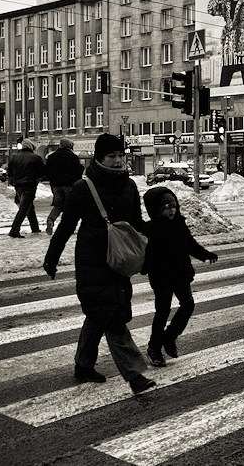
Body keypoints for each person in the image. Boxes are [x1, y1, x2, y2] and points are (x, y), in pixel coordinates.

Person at [42, 133, 155, 394]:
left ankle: (83, 365)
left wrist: (147, 255)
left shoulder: (129, 186)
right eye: (111, 156)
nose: (117, 161)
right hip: (93, 261)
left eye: (120, 155)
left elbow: (136, 224)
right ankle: (134, 374)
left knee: (99, 313)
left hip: (120, 259)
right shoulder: (85, 187)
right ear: (100, 157)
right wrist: (52, 257)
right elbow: (67, 225)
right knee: (111, 315)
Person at [141, 186, 218, 367]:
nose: (171, 210)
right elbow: (144, 253)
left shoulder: (179, 224)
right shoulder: (150, 229)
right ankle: (154, 349)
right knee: (163, 311)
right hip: (161, 277)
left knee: (188, 305)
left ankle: (169, 337)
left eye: (173, 205)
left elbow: (190, 244)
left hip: (180, 273)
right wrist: (143, 267)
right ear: (156, 210)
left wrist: (205, 254)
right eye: (166, 207)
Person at [45, 138, 84, 235]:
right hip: (69, 185)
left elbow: (47, 172)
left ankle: (51, 220)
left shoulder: (51, 157)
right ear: (69, 146)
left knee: (58, 206)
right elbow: (77, 173)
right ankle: (66, 226)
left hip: (55, 185)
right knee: (70, 206)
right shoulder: (72, 157)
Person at [7, 138, 45, 238]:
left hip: (18, 185)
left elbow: (10, 173)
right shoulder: (35, 158)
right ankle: (14, 230)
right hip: (30, 185)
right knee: (24, 208)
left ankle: (35, 228)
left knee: (29, 207)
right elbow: (42, 172)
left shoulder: (15, 158)